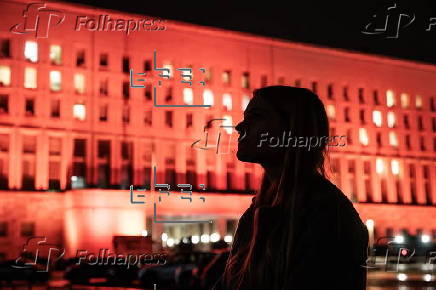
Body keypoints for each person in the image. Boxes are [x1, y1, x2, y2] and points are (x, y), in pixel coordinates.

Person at [212, 86, 369, 290]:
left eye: (256, 116)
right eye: (245, 117)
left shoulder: (326, 213)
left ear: (292, 129)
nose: (240, 126)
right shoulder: (257, 211)